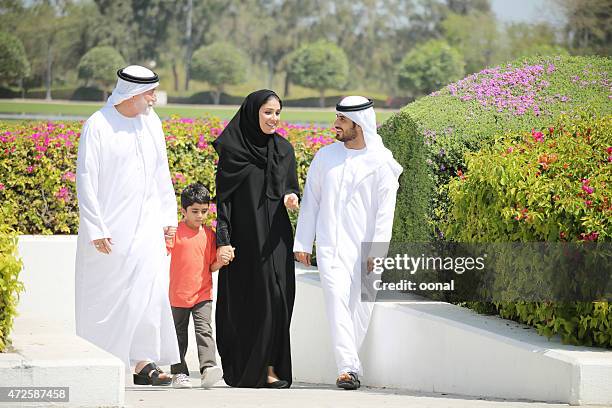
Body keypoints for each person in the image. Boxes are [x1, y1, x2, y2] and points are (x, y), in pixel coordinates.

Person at [75, 65, 180, 386]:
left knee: (149, 292)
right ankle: (99, 361)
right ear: (132, 93)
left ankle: (142, 362)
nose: (154, 99)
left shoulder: (152, 124)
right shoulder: (99, 125)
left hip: (147, 226)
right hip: (110, 231)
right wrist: (96, 227)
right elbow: (86, 178)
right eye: (150, 93)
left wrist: (168, 219)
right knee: (109, 296)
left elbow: (162, 174)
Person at [293, 96, 402, 390]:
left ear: (359, 123)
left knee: (362, 306)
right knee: (336, 301)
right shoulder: (325, 157)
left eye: (341, 120)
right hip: (331, 246)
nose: (335, 125)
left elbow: (385, 212)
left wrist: (378, 249)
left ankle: (351, 365)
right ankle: (347, 368)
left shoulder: (382, 163)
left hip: (368, 248)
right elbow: (311, 203)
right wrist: (303, 241)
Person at [213, 89, 300, 388]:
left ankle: (272, 367)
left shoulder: (284, 150)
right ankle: (250, 368)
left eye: (277, 113)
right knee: (249, 304)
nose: (274, 118)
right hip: (244, 243)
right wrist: (222, 241)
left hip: (275, 241)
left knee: (279, 300)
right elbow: (223, 202)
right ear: (253, 112)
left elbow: (291, 187)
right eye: (267, 112)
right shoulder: (232, 151)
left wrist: (291, 197)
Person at [166, 183, 229, 389]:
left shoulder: (210, 234)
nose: (200, 215)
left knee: (204, 330)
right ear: (183, 210)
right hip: (177, 295)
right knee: (178, 334)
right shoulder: (175, 232)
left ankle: (208, 368)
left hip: (203, 294)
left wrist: (220, 260)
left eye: (204, 211)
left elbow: (211, 266)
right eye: (194, 211)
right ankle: (178, 373)